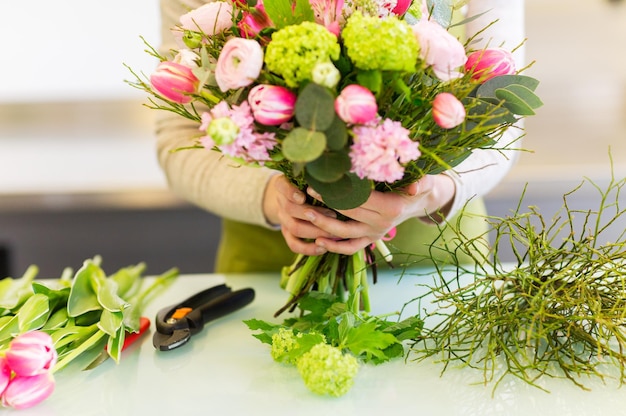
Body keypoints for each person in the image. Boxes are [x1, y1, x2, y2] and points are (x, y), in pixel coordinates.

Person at [155, 0, 527, 273]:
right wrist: (272, 200)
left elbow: (500, 114)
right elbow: (179, 139)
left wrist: (433, 192)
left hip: (435, 269)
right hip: (267, 270)